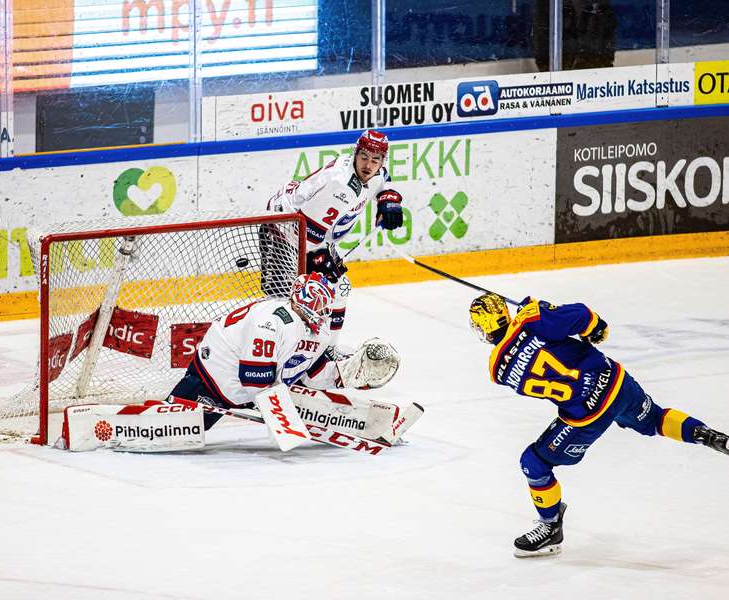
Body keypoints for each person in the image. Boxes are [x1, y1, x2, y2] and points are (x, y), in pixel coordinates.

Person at [468, 293, 729, 558]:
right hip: (615, 383)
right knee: (656, 419)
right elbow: (584, 317)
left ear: (483, 329)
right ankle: (706, 435)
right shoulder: (533, 317)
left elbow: (529, 353)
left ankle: (550, 526)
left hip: (587, 415)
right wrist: (565, 318)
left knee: (533, 462)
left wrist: (536, 317)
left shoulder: (497, 368)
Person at [170, 272, 400, 431]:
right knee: (175, 429)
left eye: (325, 305)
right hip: (211, 382)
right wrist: (283, 410)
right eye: (318, 302)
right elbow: (253, 382)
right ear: (302, 299)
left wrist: (344, 374)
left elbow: (311, 373)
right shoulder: (270, 322)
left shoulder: (317, 331)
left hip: (250, 391)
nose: (323, 310)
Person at [263, 129, 405, 348]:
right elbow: (307, 232)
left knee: (338, 288)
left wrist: (388, 199)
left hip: (311, 233)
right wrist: (320, 259)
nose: (368, 165)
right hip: (283, 230)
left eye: (375, 159)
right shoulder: (341, 187)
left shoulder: (373, 171)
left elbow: (383, 178)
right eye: (364, 157)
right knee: (285, 300)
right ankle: (280, 350)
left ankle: (327, 349)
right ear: (355, 153)